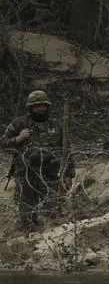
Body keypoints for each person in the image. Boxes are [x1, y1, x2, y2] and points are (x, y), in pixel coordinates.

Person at [2, 90, 74, 230]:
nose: (41, 109)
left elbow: (67, 150)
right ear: (30, 107)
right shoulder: (20, 123)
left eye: (43, 105)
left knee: (53, 211)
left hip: (51, 174)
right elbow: (3, 143)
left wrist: (69, 174)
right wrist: (17, 139)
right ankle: (28, 236)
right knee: (26, 214)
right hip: (26, 174)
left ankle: (52, 236)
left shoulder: (56, 125)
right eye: (37, 106)